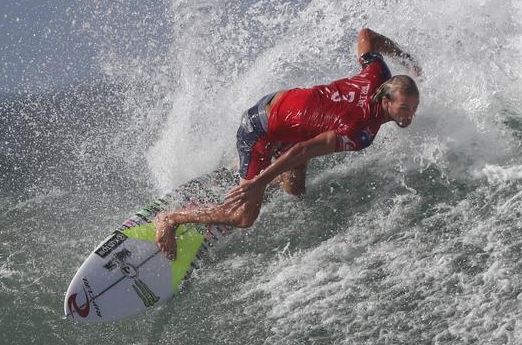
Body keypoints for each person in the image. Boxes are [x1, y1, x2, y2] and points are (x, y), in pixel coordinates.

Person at [156, 28, 421, 260]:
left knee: (295, 189)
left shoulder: (377, 74)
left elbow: (366, 36)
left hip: (282, 110)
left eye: (413, 108)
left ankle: (257, 173)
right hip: (260, 129)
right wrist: (257, 184)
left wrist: (407, 60)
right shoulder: (361, 131)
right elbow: (302, 151)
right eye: (405, 108)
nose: (409, 115)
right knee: (244, 218)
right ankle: (172, 219)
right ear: (386, 101)